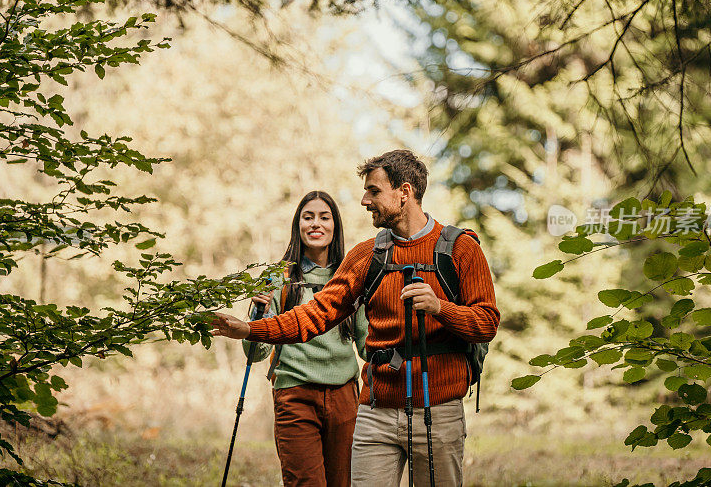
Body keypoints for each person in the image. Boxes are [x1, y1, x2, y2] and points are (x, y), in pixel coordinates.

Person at [213, 150, 499, 487]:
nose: (365, 200)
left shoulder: (461, 248)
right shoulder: (366, 255)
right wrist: (250, 328)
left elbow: (487, 323)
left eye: (374, 191)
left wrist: (440, 307)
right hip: (374, 410)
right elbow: (316, 314)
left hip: (437, 409)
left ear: (404, 192)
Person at [241, 190, 368, 487]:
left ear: (335, 226)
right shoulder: (278, 277)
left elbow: (366, 344)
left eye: (324, 217)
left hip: (345, 398)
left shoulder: (351, 276)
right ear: (297, 225)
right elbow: (254, 354)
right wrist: (257, 315)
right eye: (308, 217)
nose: (316, 224)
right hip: (295, 395)